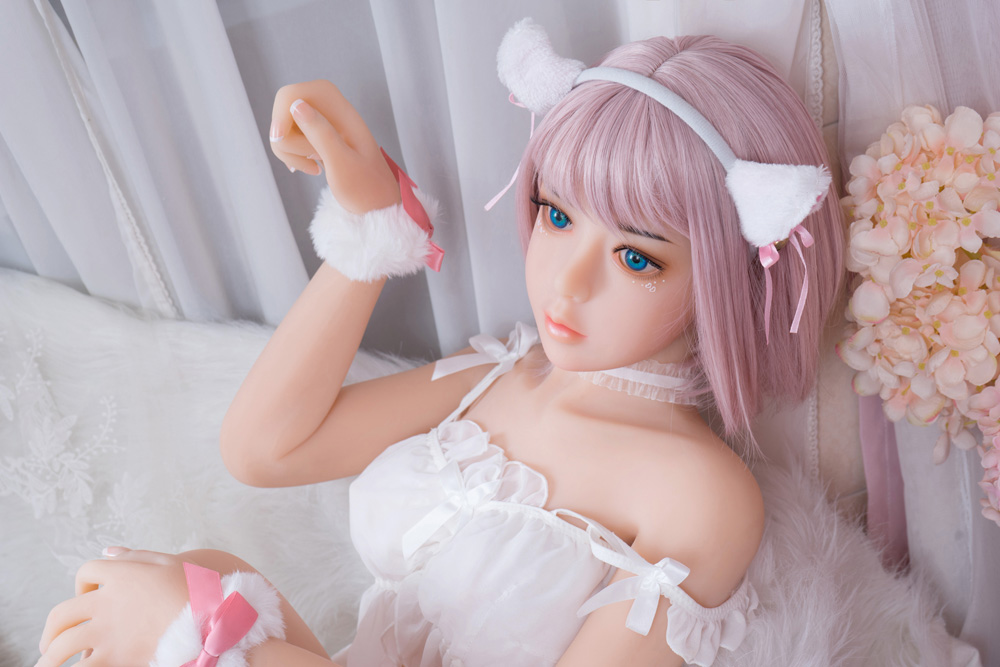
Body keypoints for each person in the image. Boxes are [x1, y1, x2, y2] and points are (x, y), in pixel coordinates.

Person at [35, 20, 844, 667]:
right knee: (195, 570)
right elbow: (263, 448)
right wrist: (368, 233)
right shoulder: (502, 373)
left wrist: (204, 643)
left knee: (186, 604)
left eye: (637, 258)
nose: (565, 282)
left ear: (726, 280)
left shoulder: (700, 496)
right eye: (557, 215)